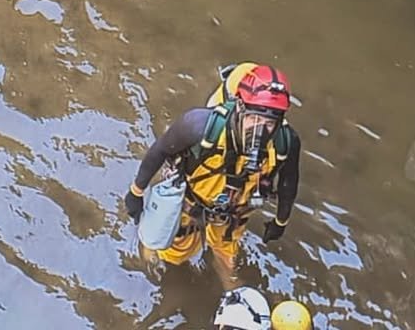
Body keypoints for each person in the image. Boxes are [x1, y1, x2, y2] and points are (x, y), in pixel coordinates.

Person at [124, 62, 302, 285]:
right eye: (254, 120)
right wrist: (136, 192)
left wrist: (280, 221)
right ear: (239, 107)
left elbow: (288, 183)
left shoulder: (286, 142)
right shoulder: (198, 125)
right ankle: (151, 251)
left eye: (269, 124)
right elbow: (160, 150)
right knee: (173, 254)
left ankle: (229, 287)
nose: (259, 131)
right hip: (191, 202)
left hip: (232, 213)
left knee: (227, 256)